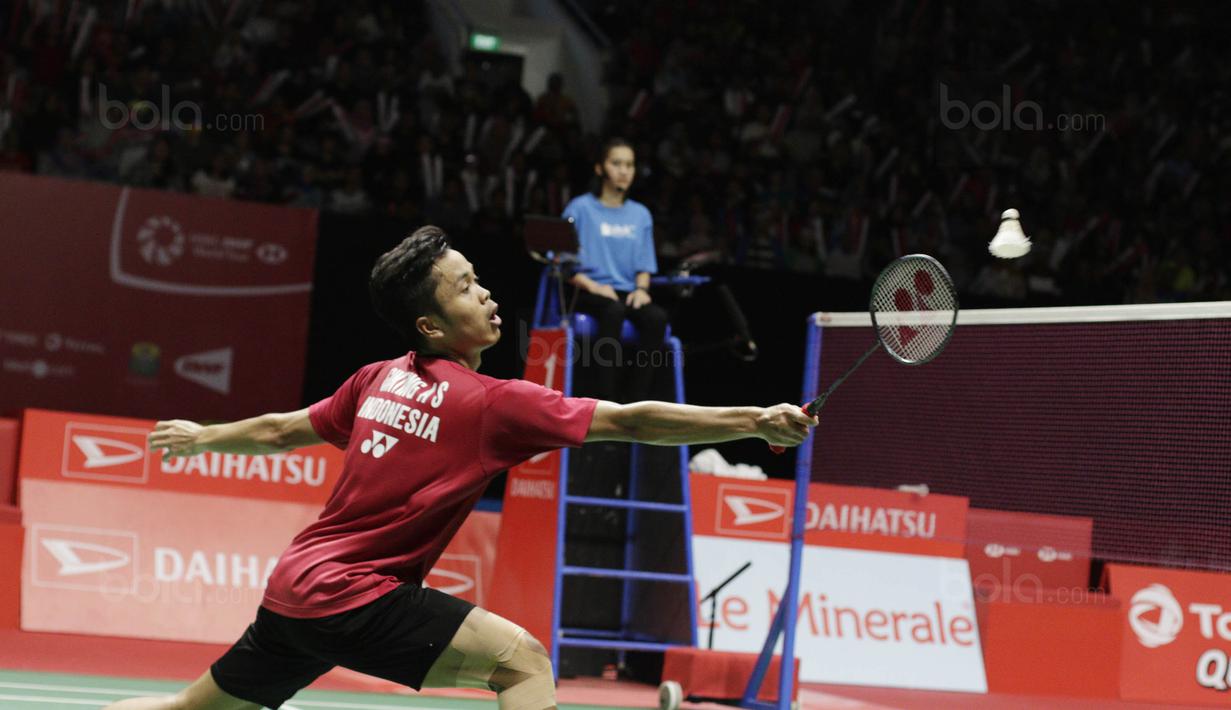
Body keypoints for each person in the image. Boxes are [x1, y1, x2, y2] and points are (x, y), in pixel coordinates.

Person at [104, 225, 816, 710]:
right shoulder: (491, 404)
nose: (487, 295)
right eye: (465, 288)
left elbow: (279, 431)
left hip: (295, 592)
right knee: (526, 663)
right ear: (432, 327)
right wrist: (753, 421)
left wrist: (204, 437)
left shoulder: (376, 377)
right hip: (354, 594)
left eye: (478, 280)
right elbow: (629, 420)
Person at [563, 138, 667, 402]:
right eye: (616, 163)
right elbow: (563, 263)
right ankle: (605, 400)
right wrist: (595, 287)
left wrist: (642, 289)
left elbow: (645, 266)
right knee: (614, 310)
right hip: (588, 290)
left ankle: (638, 403)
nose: (624, 171)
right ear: (600, 168)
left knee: (656, 317)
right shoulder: (580, 208)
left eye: (630, 165)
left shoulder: (641, 214)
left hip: (628, 291)